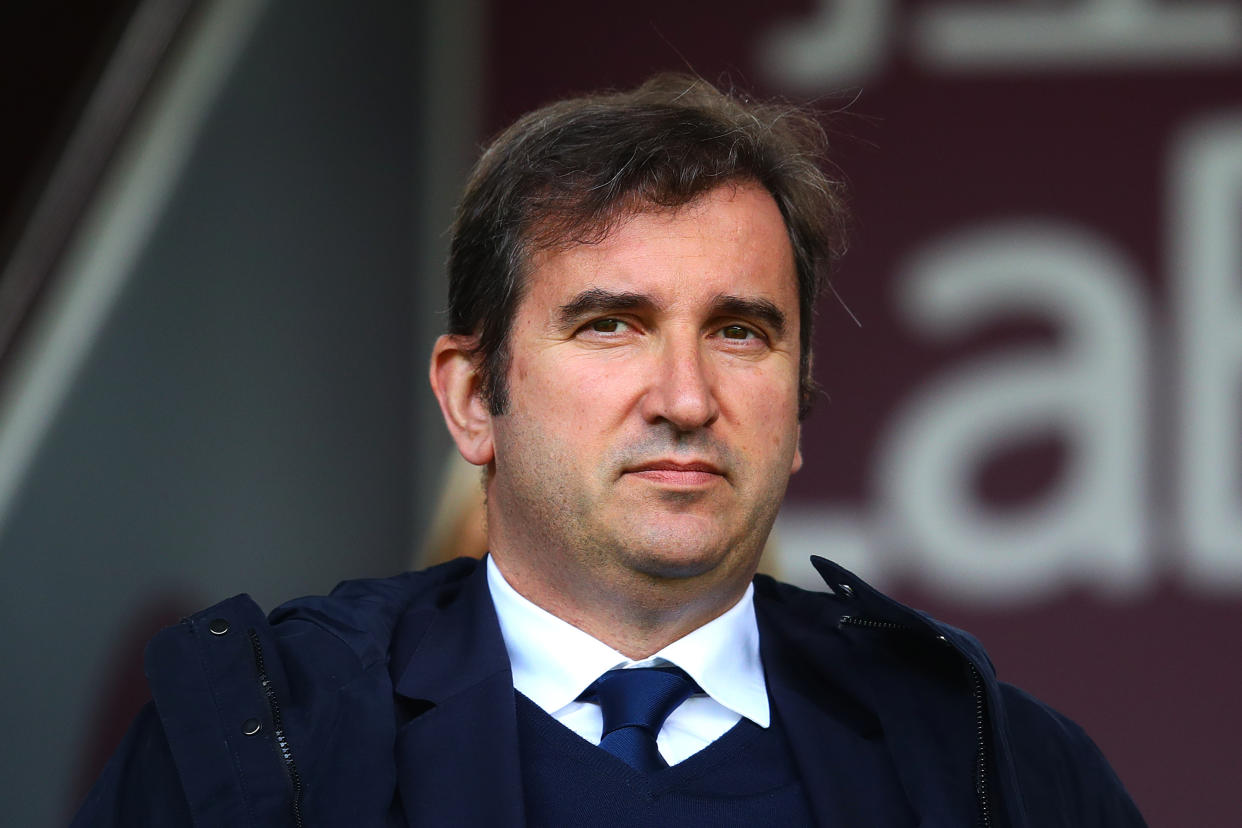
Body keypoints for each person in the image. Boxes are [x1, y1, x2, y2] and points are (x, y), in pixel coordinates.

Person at [73, 74, 1146, 827]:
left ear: (801, 404)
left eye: (740, 331)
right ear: (471, 398)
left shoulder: (996, 767)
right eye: (610, 324)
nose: (685, 398)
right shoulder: (259, 751)